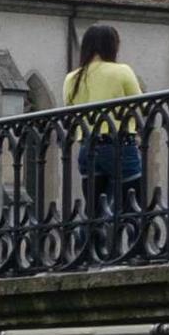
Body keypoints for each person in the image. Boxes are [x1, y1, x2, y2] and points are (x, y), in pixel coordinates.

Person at [65, 24, 145, 245]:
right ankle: (136, 252)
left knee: (95, 209)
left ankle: (87, 253)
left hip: (87, 147)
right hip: (118, 143)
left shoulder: (72, 78)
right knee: (132, 203)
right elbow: (140, 107)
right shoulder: (121, 71)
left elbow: (70, 109)